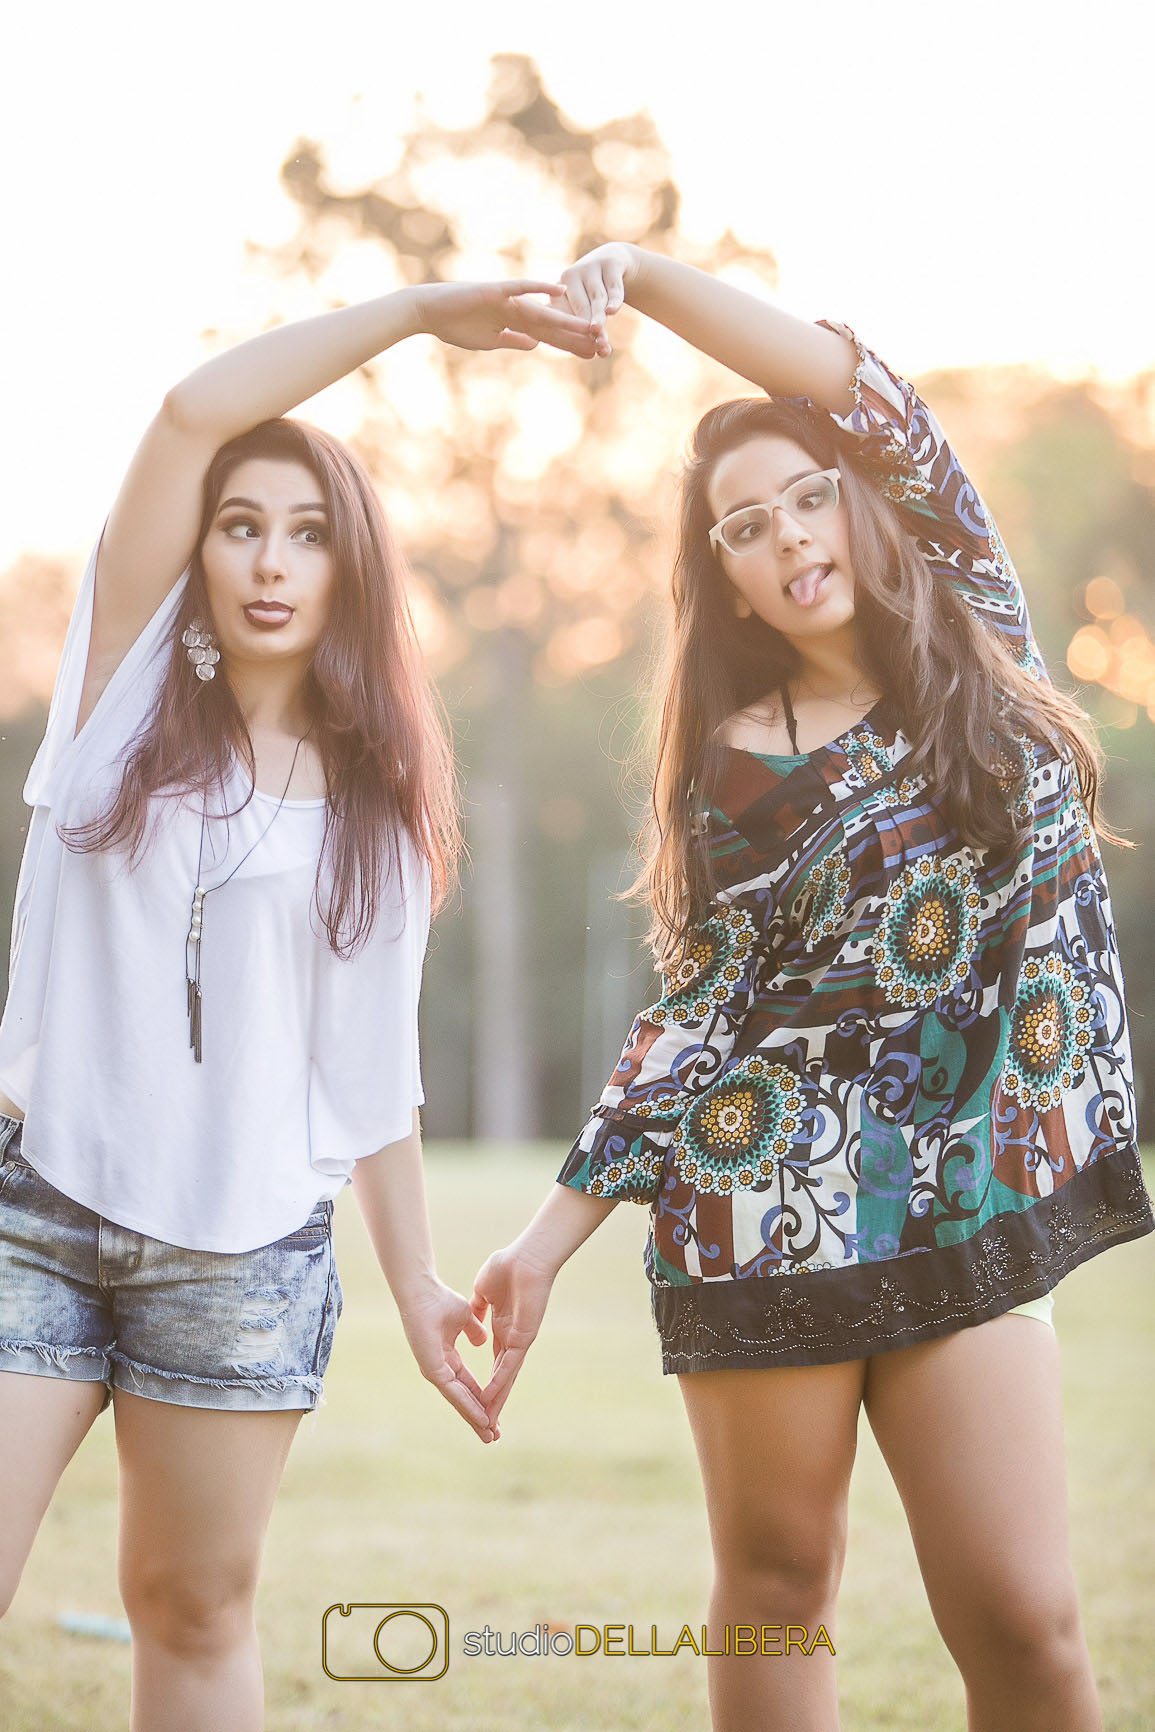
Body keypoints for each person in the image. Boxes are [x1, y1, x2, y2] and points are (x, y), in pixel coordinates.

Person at [472, 244, 1154, 1732]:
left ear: (857, 497)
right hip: (766, 1205)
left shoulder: (976, 614)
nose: (783, 536)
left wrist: (641, 278)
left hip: (965, 1194)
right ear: (719, 573)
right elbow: (703, 1010)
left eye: (803, 495)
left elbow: (861, 389)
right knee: (782, 1596)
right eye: (739, 527)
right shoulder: (741, 760)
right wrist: (543, 1238)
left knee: (1029, 1627)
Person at [0, 276, 600, 1730]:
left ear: (351, 572)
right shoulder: (118, 695)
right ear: (198, 554)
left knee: (193, 1613)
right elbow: (194, 408)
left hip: (248, 1262)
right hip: (40, 1211)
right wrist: (421, 313)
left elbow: (366, 1078)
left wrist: (412, 1289)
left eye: (310, 532)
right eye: (241, 525)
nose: (272, 561)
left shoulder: (376, 819)